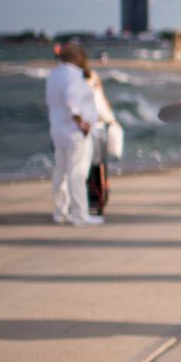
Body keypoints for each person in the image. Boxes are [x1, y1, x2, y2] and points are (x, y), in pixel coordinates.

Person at [45, 40, 101, 226]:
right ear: (77, 57)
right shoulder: (72, 77)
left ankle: (61, 211)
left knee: (61, 171)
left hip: (58, 129)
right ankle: (80, 215)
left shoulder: (54, 74)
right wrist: (82, 123)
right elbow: (72, 103)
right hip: (74, 131)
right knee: (77, 172)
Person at [84, 67, 120, 218]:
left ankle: (93, 200)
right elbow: (104, 109)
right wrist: (112, 121)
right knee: (99, 167)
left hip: (86, 132)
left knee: (89, 169)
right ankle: (99, 200)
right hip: (97, 131)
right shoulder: (95, 86)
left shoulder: (81, 86)